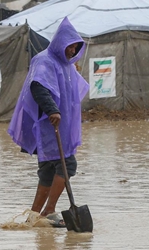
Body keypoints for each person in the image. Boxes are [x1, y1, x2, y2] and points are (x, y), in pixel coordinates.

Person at [7, 18, 89, 228]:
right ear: (60, 43)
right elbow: (38, 87)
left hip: (61, 126)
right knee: (67, 165)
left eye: (76, 47)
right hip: (49, 124)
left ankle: (34, 215)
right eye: (70, 46)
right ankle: (49, 210)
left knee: (48, 170)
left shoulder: (65, 64)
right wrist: (52, 109)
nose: (72, 51)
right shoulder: (44, 61)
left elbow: (72, 89)